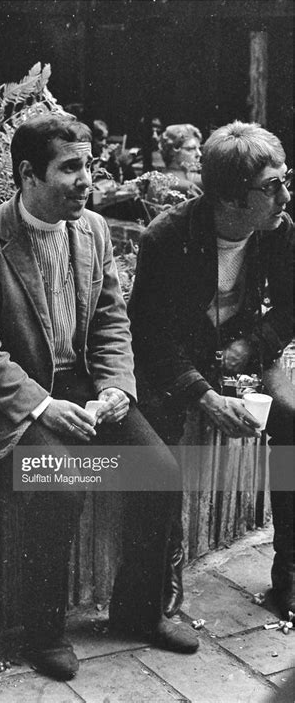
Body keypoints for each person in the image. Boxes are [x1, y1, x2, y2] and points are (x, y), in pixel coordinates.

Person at [0, 112, 198, 683]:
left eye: (89, 164)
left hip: (89, 391)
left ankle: (139, 613)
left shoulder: (93, 230)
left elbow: (111, 320)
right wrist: (42, 405)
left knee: (159, 472)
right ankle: (44, 632)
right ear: (28, 174)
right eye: (72, 167)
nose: (88, 178)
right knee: (56, 480)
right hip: (18, 401)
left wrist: (116, 387)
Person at [128, 121, 294, 621]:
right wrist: (203, 395)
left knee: (292, 418)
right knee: (160, 429)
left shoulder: (280, 231)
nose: (285, 195)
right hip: (179, 361)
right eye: (271, 186)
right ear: (229, 197)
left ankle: (288, 570)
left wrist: (254, 344)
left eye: (286, 179)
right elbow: (150, 336)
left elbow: (291, 306)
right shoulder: (167, 237)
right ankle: (166, 571)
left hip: (246, 352)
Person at [158, 123, 203, 196]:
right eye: (191, 149)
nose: (199, 154)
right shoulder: (187, 187)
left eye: (198, 148)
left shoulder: (161, 178)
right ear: (173, 152)